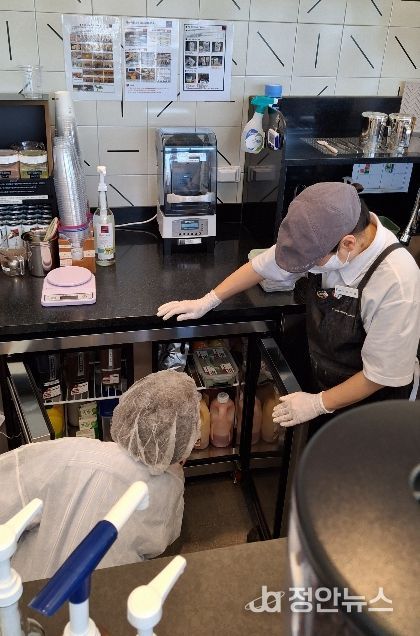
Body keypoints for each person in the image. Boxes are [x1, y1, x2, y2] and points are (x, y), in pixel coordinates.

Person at [157, 182, 420, 428]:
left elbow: (379, 375)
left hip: (373, 410)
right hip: (325, 379)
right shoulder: (325, 231)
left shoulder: (397, 282)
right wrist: (208, 300)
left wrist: (318, 404)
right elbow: (261, 266)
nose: (309, 267)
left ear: (348, 244)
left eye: (313, 263)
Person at [0, 370, 200, 581]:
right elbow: (156, 545)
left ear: (127, 410)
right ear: (183, 444)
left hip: (18, 588)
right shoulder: (168, 489)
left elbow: (10, 491)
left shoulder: (69, 451)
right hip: (102, 593)